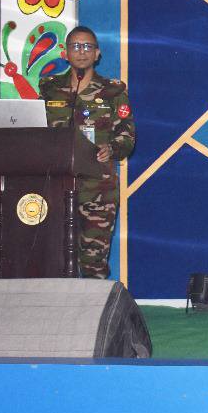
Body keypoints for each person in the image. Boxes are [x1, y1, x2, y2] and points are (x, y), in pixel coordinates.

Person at [39, 25, 136, 279]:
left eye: (87, 47)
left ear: (97, 53)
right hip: (56, 187)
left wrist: (111, 148)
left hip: (98, 188)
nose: (81, 52)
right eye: (75, 46)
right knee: (55, 260)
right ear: (65, 53)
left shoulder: (113, 90)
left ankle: (96, 305)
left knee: (93, 264)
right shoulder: (50, 88)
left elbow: (127, 136)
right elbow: (36, 129)